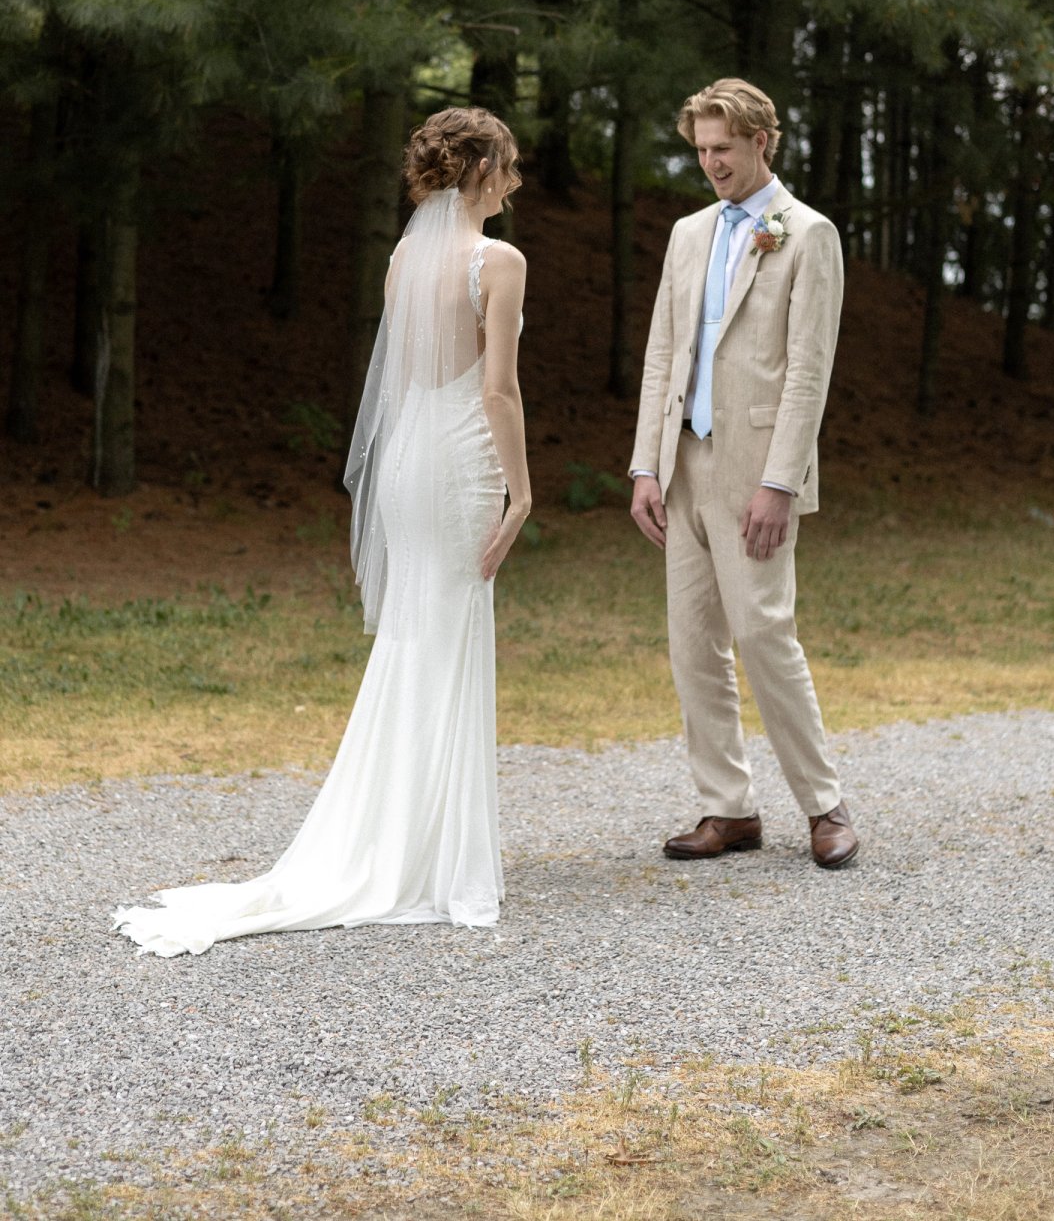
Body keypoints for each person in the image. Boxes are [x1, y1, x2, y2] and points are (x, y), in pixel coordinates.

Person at [114, 109, 531, 955]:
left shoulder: (406, 258)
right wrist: (521, 493)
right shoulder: (498, 260)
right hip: (457, 458)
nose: (516, 181)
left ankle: (399, 840)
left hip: (408, 455)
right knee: (445, 634)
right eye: (509, 166)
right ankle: (431, 858)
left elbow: (402, 378)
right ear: (481, 169)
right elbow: (498, 391)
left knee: (418, 637)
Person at [629, 78, 858, 869]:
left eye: (722, 149)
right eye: (700, 149)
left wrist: (780, 482)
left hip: (755, 470)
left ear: (763, 140)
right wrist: (645, 465)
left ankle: (825, 806)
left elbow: (808, 373)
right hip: (683, 465)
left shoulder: (809, 234)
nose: (710, 163)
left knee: (763, 633)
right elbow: (664, 350)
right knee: (692, 642)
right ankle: (727, 810)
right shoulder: (689, 232)